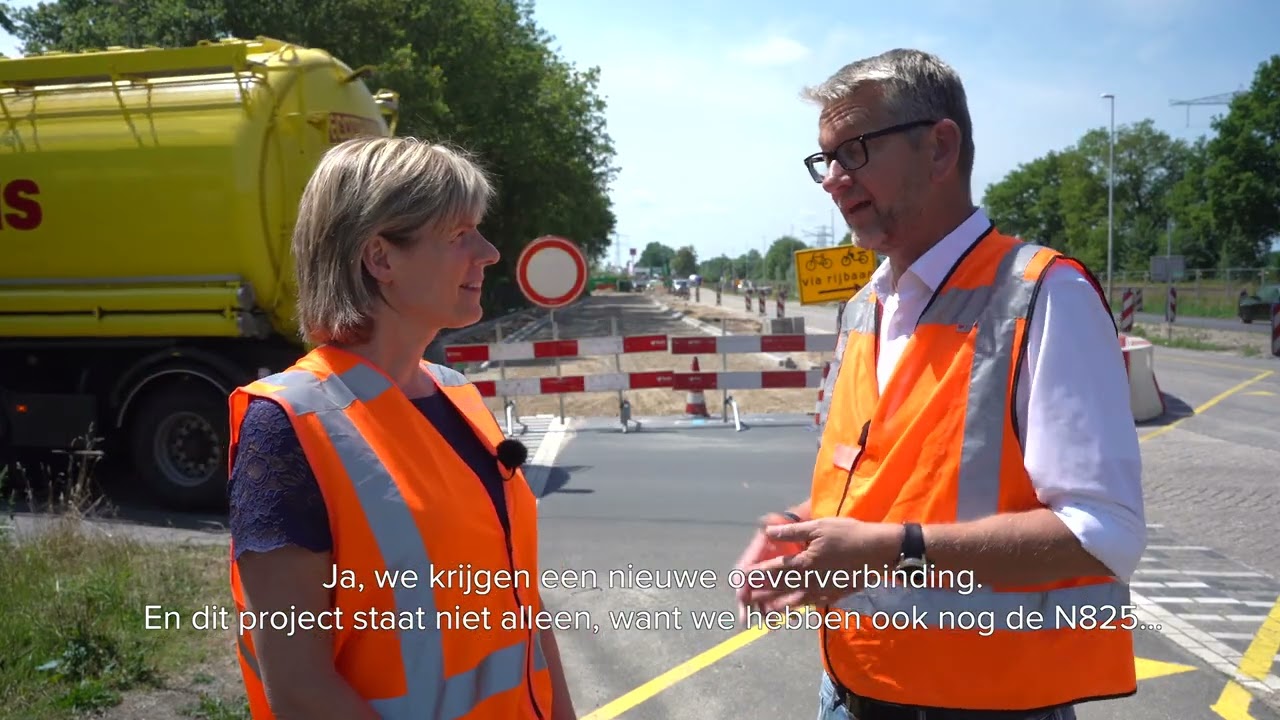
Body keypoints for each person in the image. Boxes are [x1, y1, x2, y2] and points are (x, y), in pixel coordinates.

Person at [734, 49, 1146, 719]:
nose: (833, 180)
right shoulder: (868, 304)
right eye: (824, 160)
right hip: (851, 688)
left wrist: (891, 554)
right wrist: (799, 526)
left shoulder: (1044, 295)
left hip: (987, 703)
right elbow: (889, 481)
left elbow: (1104, 538)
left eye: (855, 150)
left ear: (940, 147)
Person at [226, 135, 578, 720]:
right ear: (381, 258)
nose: (489, 252)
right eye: (458, 234)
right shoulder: (287, 425)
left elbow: (523, 605)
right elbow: (299, 688)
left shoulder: (457, 394)